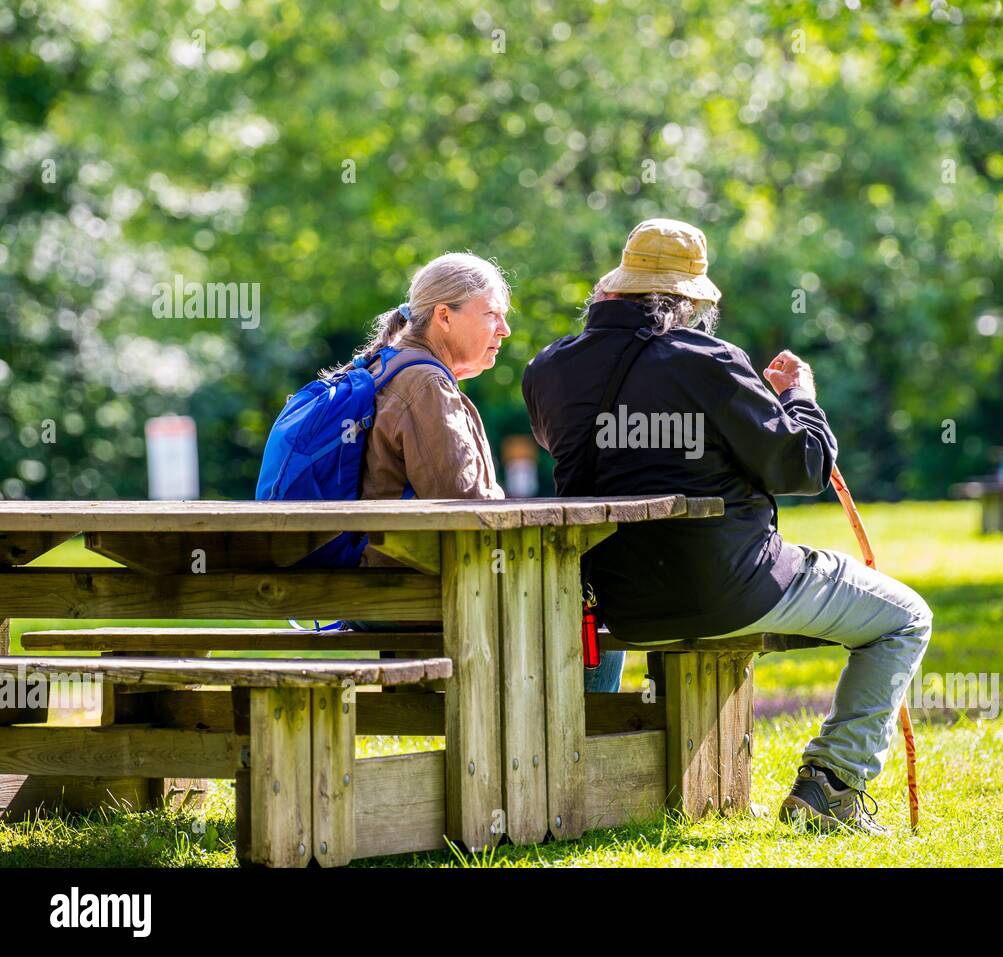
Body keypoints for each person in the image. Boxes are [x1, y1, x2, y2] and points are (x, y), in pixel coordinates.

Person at [523, 218, 932, 833]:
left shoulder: (548, 370)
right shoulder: (710, 362)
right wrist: (800, 400)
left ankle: (585, 775)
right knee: (905, 619)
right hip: (732, 587)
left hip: (612, 600)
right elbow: (803, 465)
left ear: (614, 289)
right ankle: (832, 787)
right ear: (688, 301)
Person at [336, 252, 625, 693]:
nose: (504, 331)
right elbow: (470, 511)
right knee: (589, 603)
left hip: (373, 580)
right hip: (408, 588)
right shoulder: (424, 384)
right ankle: (582, 743)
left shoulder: (386, 367)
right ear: (444, 317)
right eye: (492, 315)